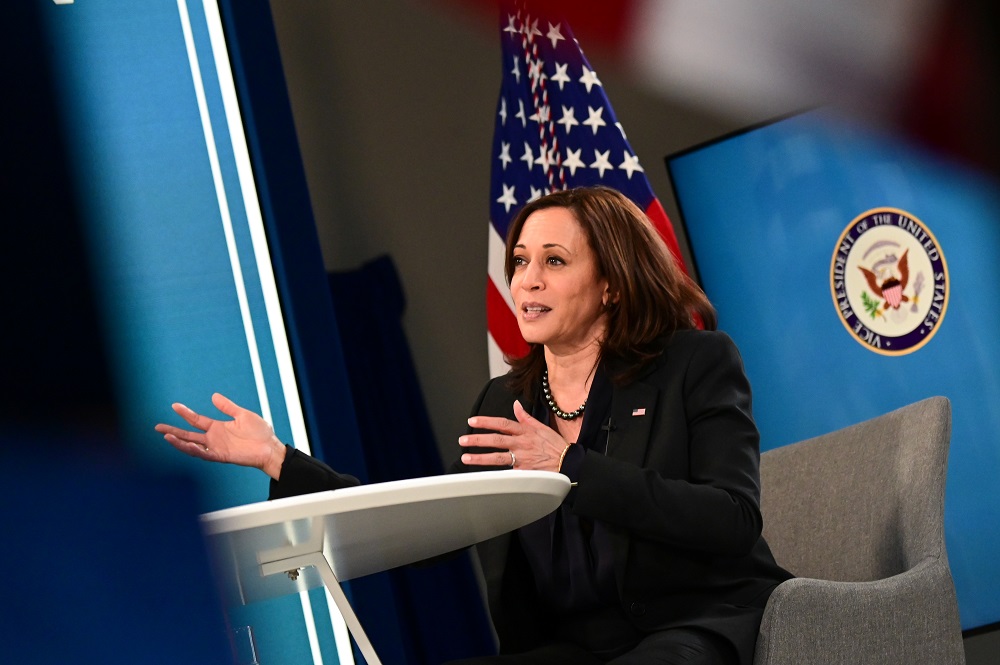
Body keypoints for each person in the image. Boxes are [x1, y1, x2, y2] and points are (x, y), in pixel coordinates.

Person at [156, 185, 792, 664]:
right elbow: (430, 523)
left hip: (696, 623)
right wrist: (279, 460)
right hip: (573, 649)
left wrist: (570, 466)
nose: (525, 280)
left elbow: (730, 519)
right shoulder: (502, 401)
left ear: (612, 285)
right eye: (518, 261)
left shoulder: (693, 362)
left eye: (554, 261)